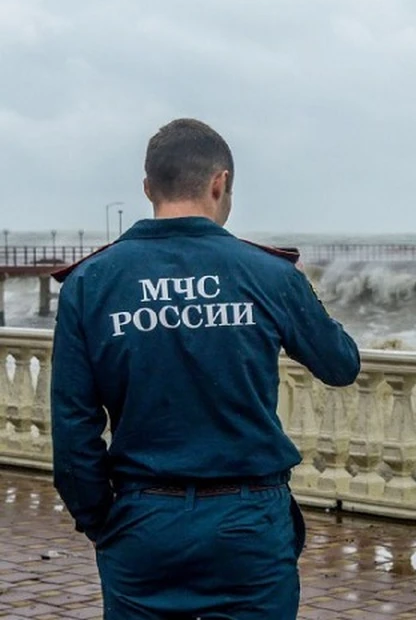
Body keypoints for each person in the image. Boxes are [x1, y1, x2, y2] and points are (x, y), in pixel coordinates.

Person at [50, 118, 361, 619]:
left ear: (148, 187)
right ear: (221, 183)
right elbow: (341, 364)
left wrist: (101, 521)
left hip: (142, 521)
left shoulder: (90, 284)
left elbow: (72, 432)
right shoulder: (268, 273)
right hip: (248, 523)